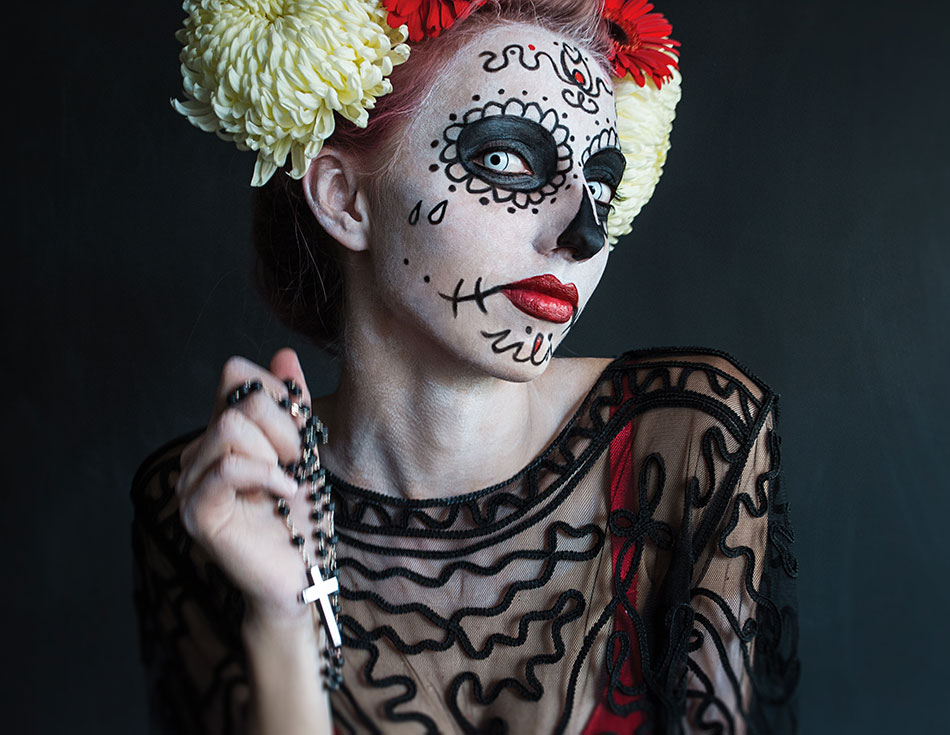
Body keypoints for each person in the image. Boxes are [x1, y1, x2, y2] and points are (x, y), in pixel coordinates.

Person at [131, 1, 800, 733]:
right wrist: (282, 622)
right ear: (344, 197)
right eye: (508, 160)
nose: (582, 234)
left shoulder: (687, 443)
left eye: (600, 182)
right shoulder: (219, 503)